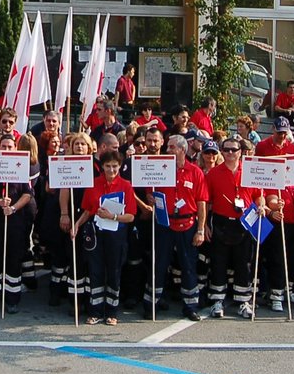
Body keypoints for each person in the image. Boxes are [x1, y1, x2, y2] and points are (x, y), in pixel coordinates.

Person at [148, 135, 207, 321]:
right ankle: (151, 303)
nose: (168, 150)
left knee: (188, 266)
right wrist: (151, 197)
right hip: (165, 223)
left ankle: (190, 306)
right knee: (159, 264)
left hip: (188, 224)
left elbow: (201, 203)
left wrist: (200, 230)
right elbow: (151, 192)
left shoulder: (195, 172)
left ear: (182, 149)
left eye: (172, 147)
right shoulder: (161, 169)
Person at [201, 138, 259, 319]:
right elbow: (206, 202)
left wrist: (262, 206)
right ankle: (217, 300)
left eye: (234, 150)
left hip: (245, 222)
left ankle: (243, 301)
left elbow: (259, 196)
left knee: (244, 263)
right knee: (219, 262)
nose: (230, 153)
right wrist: (204, 225)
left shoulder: (251, 172)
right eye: (226, 150)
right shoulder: (213, 174)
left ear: (240, 151)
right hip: (221, 222)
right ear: (221, 152)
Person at [0, 133, 35, 314]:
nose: (7, 150)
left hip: (15, 221)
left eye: (10, 147)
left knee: (13, 260)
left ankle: (12, 299)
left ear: (15, 148)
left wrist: (14, 208)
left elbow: (27, 194)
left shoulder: (21, 167)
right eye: (4, 146)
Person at [77, 149, 135, 326]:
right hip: (96, 233)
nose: (111, 170)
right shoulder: (93, 183)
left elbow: (131, 215)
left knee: (114, 272)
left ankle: (111, 311)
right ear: (102, 166)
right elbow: (87, 209)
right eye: (108, 166)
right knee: (95, 271)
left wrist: (113, 217)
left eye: (115, 167)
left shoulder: (126, 185)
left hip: (116, 234)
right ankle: (95, 311)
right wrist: (76, 225)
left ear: (120, 167)